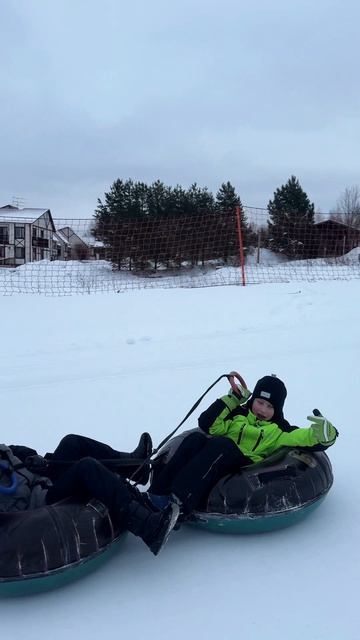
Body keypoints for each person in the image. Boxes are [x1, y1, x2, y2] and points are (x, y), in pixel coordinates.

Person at [148, 374, 338, 515]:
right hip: (215, 457)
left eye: (270, 406)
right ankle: (156, 495)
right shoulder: (238, 416)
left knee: (222, 445)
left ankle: (180, 504)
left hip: (243, 465)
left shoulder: (279, 430)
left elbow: (302, 438)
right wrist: (232, 400)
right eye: (260, 402)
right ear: (252, 399)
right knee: (194, 440)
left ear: (278, 409)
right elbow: (207, 423)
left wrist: (324, 435)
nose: (263, 410)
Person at [0, 433, 179, 555]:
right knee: (87, 467)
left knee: (71, 443)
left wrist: (31, 458)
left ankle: (134, 467)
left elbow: (14, 450)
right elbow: (15, 505)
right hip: (39, 501)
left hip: (40, 479)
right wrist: (26, 477)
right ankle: (148, 527)